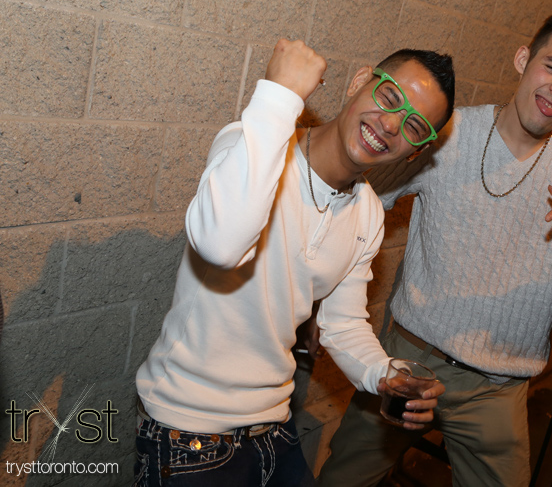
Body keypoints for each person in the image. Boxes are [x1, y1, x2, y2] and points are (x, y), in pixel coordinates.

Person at [318, 10, 552, 487]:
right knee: (341, 480)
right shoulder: (448, 133)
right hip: (408, 363)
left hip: (497, 392)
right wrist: (317, 301)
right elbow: (355, 203)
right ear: (523, 59)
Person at [134, 39, 454, 486]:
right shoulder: (251, 146)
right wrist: (279, 95)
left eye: (414, 126)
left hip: (275, 430)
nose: (389, 124)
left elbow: (342, 324)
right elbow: (221, 245)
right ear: (359, 81)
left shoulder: (368, 213)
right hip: (190, 431)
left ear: (415, 152)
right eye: (388, 96)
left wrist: (385, 374)